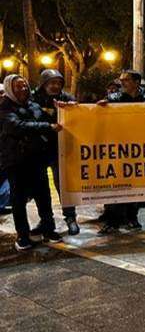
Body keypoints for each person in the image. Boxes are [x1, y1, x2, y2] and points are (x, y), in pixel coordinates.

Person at [0, 74, 63, 250]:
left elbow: (49, 120)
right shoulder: (4, 108)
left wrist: (61, 110)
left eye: (25, 86)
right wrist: (47, 127)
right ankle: (23, 236)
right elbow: (17, 127)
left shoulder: (33, 105)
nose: (23, 89)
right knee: (19, 200)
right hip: (16, 162)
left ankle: (48, 229)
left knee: (44, 196)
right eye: (18, 86)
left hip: (36, 160)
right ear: (9, 88)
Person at [96, 70, 145, 234]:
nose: (122, 83)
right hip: (118, 148)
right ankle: (112, 221)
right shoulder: (114, 98)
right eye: (121, 80)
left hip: (138, 149)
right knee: (115, 185)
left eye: (126, 80)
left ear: (136, 82)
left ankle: (132, 218)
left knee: (134, 185)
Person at [31, 69, 80, 235]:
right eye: (52, 83)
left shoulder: (67, 98)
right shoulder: (32, 98)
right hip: (38, 150)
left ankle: (70, 218)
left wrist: (74, 108)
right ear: (43, 83)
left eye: (59, 83)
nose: (55, 86)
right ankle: (46, 220)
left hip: (60, 149)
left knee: (64, 185)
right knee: (40, 188)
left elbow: (78, 116)